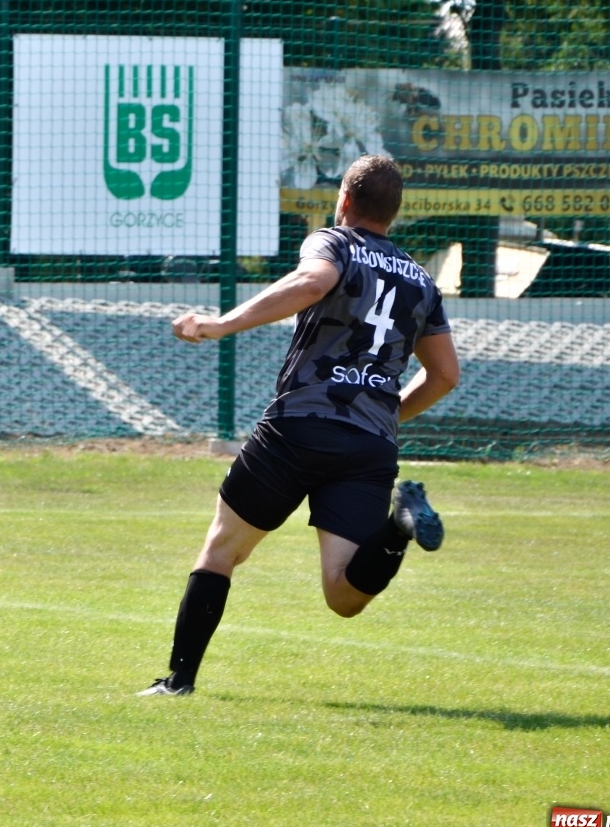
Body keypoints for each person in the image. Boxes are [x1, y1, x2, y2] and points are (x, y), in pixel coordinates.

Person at [141, 154, 459, 696]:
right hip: (369, 446)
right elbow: (445, 374)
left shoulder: (333, 242)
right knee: (343, 596)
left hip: (299, 426)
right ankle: (398, 527)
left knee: (222, 550)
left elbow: (314, 282)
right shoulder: (422, 282)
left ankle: (178, 682)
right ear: (395, 214)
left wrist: (221, 325)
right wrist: (384, 414)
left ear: (345, 201)